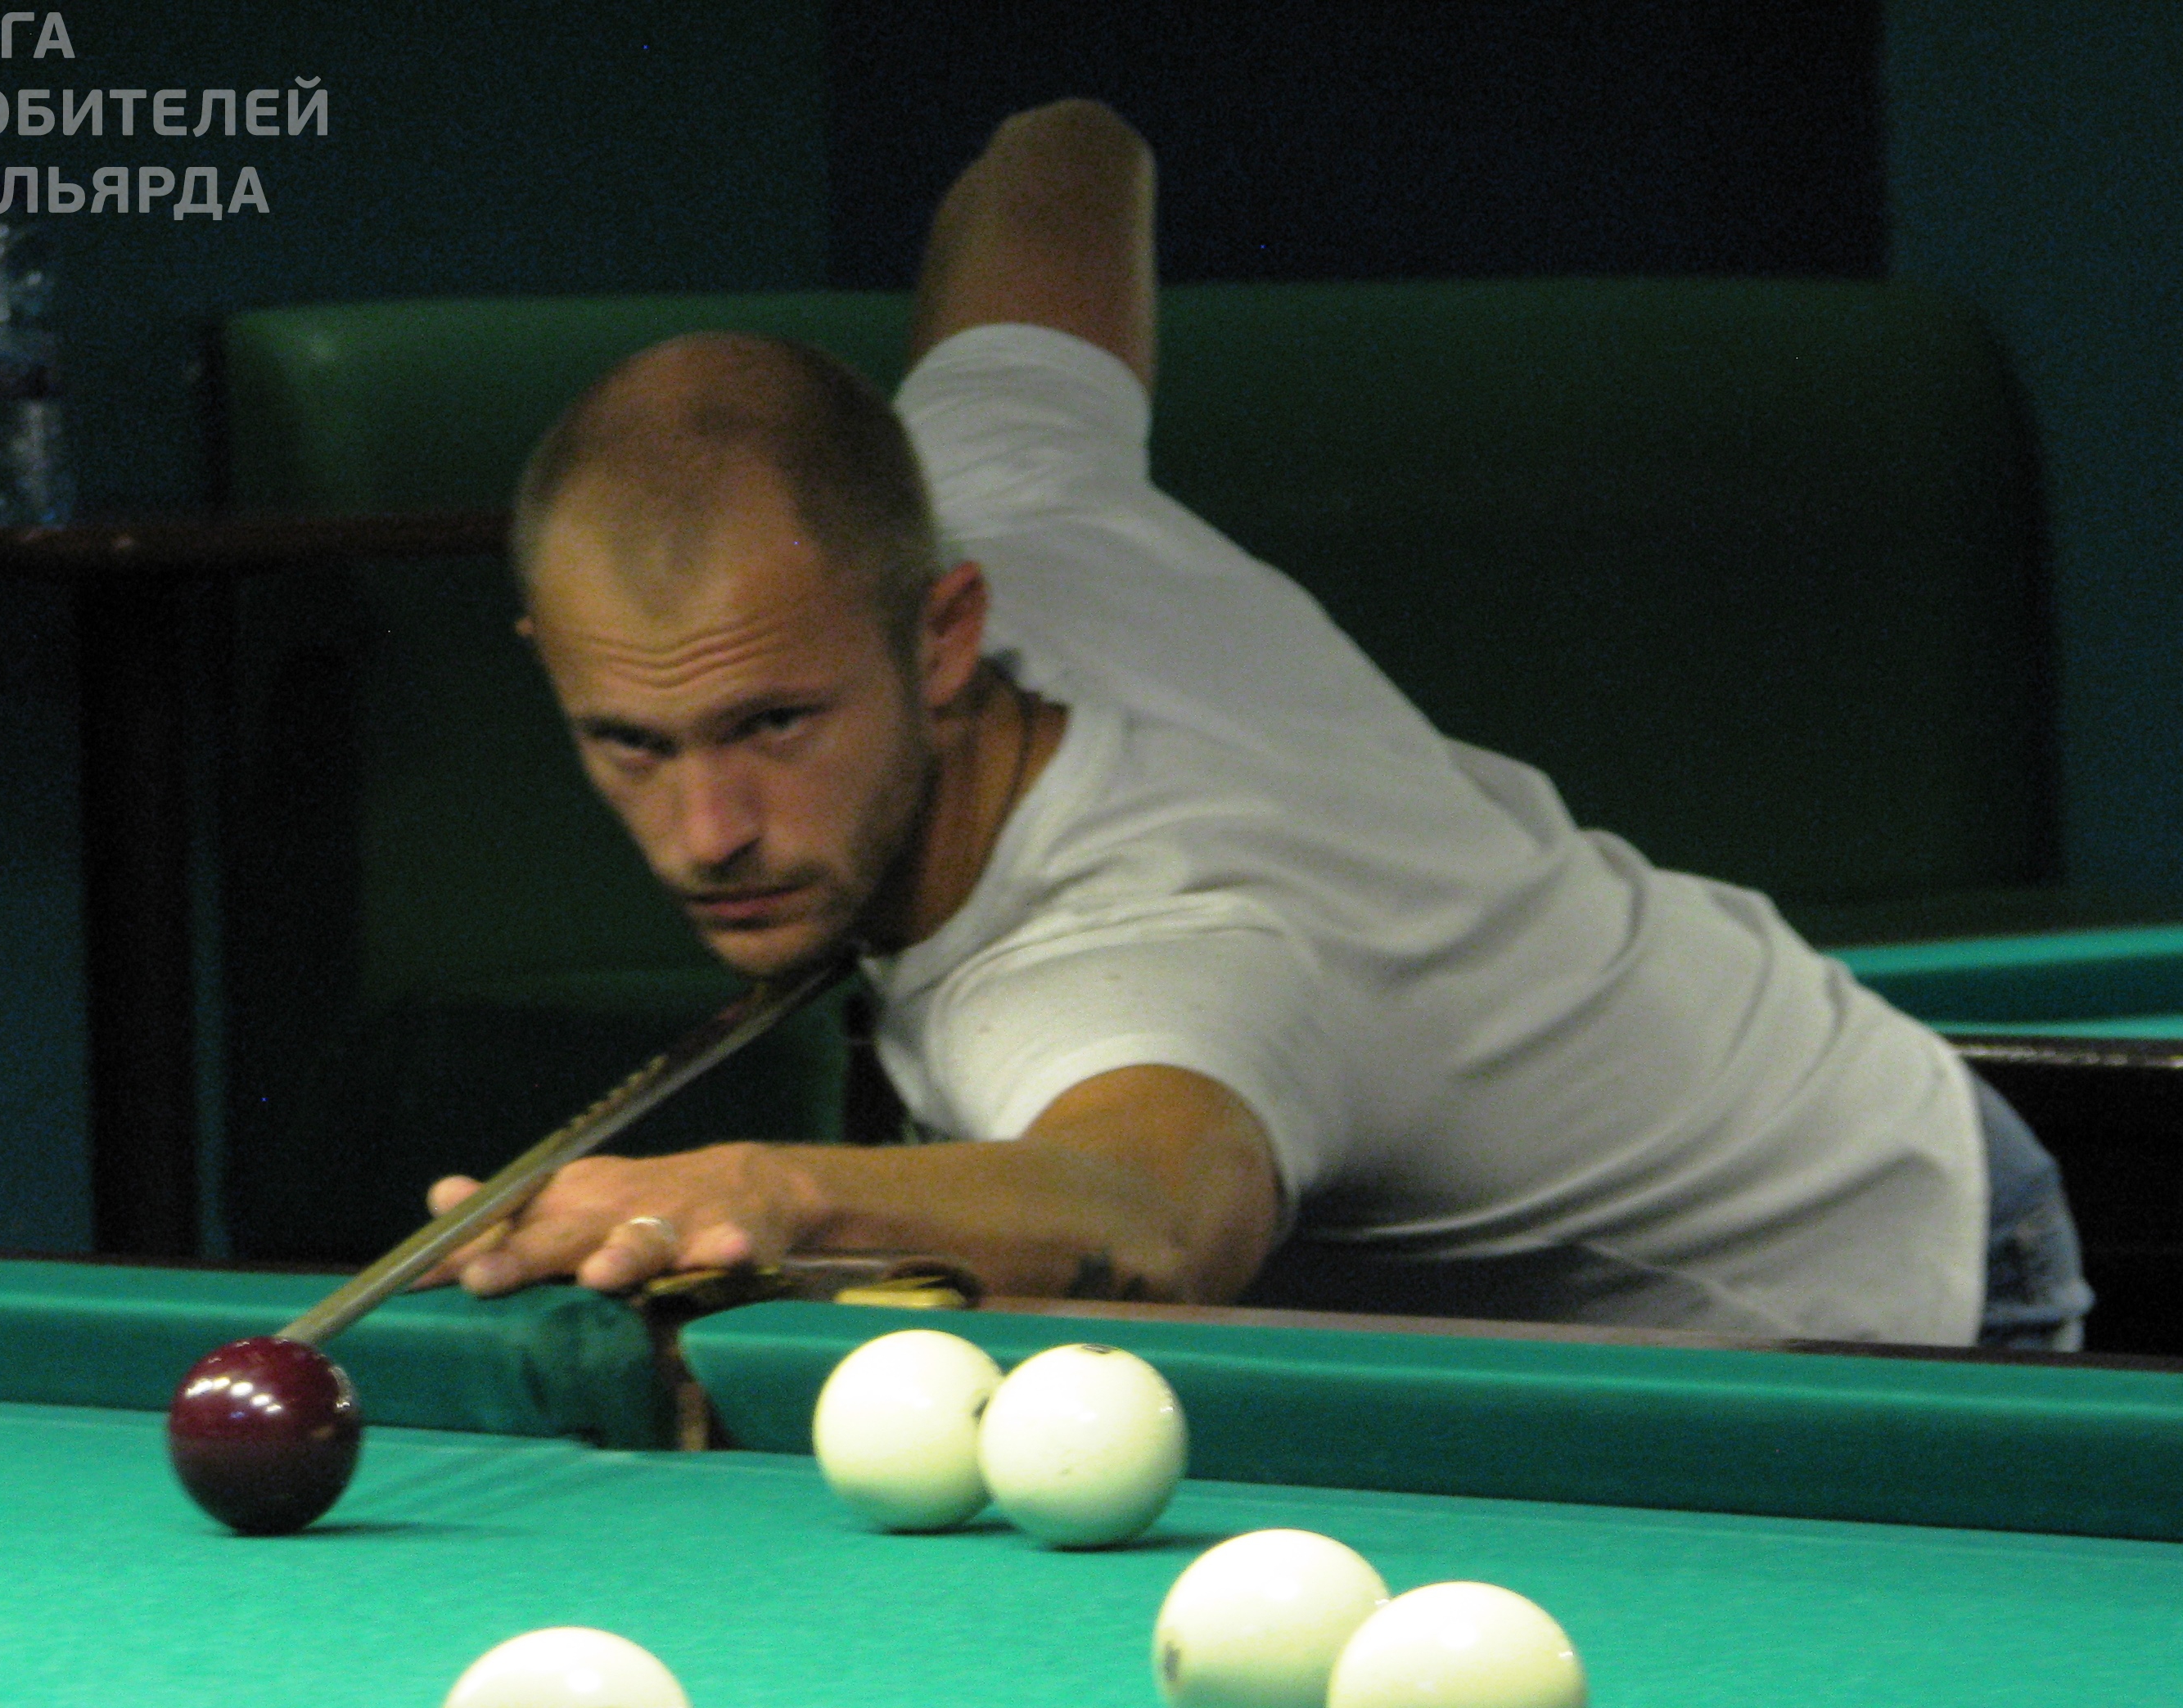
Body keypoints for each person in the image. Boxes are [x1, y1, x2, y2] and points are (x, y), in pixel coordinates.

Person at [422, 98, 2090, 1349]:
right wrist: (1056, 113)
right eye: (633, 744)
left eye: (776, 724)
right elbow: (1063, 162)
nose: (710, 831)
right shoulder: (1004, 484)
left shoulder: (1142, 956)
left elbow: (1149, 1223)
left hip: (1878, 1256)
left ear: (944, 633)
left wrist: (767, 1192)